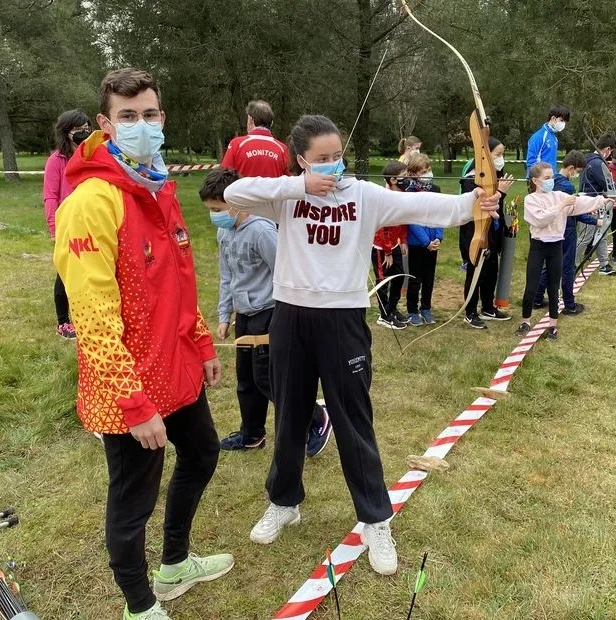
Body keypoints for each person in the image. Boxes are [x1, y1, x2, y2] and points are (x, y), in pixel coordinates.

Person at [223, 114, 503, 576]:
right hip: (291, 315)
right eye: (321, 160)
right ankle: (284, 501)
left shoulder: (365, 196)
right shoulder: (288, 196)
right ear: (301, 160)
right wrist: (299, 186)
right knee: (290, 412)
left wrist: (475, 200)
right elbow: (234, 194)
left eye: (337, 157)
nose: (332, 166)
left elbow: (432, 209)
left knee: (354, 418)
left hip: (343, 319)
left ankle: (375, 518)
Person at [53, 68, 233, 620]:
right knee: (133, 501)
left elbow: (180, 280)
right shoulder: (92, 201)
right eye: (128, 117)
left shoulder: (157, 187)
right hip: (127, 387)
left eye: (149, 114)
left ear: (162, 118)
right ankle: (139, 604)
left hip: (175, 366)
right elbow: (94, 316)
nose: (141, 125)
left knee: (203, 452)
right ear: (105, 125)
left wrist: (202, 342)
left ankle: (175, 563)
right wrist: (133, 403)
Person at [199, 168, 333, 456]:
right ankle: (252, 434)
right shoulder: (225, 231)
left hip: (269, 312)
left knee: (269, 378)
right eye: (210, 210)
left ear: (238, 202)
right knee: (246, 378)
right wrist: (225, 315)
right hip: (245, 315)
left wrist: (288, 316)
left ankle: (316, 419)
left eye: (217, 209)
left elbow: (285, 271)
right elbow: (227, 275)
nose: (214, 215)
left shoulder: (261, 231)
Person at [514, 163, 614, 340]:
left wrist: (603, 199)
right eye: (546, 178)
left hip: (556, 246)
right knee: (531, 286)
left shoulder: (559, 195)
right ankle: (525, 321)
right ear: (535, 181)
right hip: (538, 247)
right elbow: (540, 219)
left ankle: (552, 325)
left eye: (552, 177)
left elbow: (581, 203)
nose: (550, 181)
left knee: (553, 288)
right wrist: (561, 206)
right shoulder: (531, 200)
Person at [43, 110, 91, 339]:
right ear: (66, 132)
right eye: (78, 129)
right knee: (65, 273)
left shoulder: (92, 155)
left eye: (86, 127)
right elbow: (50, 196)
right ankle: (63, 322)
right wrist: (54, 228)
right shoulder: (56, 160)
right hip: (67, 223)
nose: (84, 132)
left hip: (92, 220)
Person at [459, 138, 515, 329]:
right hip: (476, 234)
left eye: (502, 155)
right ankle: (470, 311)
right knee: (476, 273)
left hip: (493, 234)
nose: (501, 159)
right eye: (497, 154)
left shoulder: (494, 178)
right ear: (485, 156)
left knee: (491, 271)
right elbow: (480, 208)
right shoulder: (470, 180)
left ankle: (488, 307)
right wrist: (500, 192)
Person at [532, 150, 595, 315]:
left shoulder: (552, 181)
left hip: (551, 230)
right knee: (566, 267)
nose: (577, 175)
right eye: (578, 172)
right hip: (566, 230)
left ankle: (536, 298)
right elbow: (574, 211)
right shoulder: (566, 186)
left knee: (552, 265)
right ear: (572, 168)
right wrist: (595, 219)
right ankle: (569, 304)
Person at [401, 154, 442, 326]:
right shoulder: (409, 194)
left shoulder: (436, 190)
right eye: (423, 171)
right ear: (412, 173)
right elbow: (412, 221)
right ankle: (412, 310)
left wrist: (438, 237)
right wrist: (425, 242)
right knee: (415, 279)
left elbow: (440, 214)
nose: (427, 173)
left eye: (428, 170)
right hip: (418, 244)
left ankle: (426, 307)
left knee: (429, 278)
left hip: (434, 243)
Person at [372, 161, 410, 329]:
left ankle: (392, 309)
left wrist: (403, 241)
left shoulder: (402, 194)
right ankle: (384, 315)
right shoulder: (385, 198)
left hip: (394, 245)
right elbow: (383, 228)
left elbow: (402, 221)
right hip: (381, 249)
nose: (407, 179)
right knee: (383, 281)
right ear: (393, 179)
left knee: (399, 277)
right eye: (404, 176)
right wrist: (387, 251)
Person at [579, 134, 616, 276]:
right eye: (610, 152)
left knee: (601, 233)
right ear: (608, 149)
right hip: (589, 204)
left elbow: (605, 185)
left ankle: (604, 265)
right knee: (585, 237)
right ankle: (568, 262)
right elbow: (607, 184)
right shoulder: (597, 163)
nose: (610, 155)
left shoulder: (591, 160)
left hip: (597, 202)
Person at [220, 100, 289, 178]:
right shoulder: (282, 149)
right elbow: (289, 181)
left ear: (250, 120)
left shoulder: (236, 144)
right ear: (272, 123)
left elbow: (224, 176)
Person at [525, 105, 569, 175]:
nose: (563, 124)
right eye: (562, 120)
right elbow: (531, 161)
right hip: (538, 179)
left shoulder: (554, 138)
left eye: (565, 122)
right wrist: (536, 180)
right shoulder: (538, 136)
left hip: (550, 178)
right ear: (553, 118)